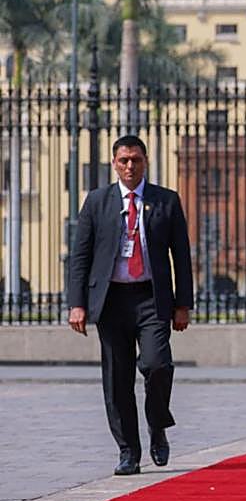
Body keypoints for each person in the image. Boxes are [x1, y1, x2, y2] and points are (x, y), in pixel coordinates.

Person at [67, 135, 193, 476]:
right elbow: (80, 256)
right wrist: (77, 304)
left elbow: (181, 256)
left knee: (158, 364)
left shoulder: (166, 201)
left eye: (136, 159)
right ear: (114, 163)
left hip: (152, 298)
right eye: (123, 160)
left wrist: (183, 304)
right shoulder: (97, 202)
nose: (130, 166)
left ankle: (157, 423)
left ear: (145, 161)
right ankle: (128, 451)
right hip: (111, 300)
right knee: (117, 379)